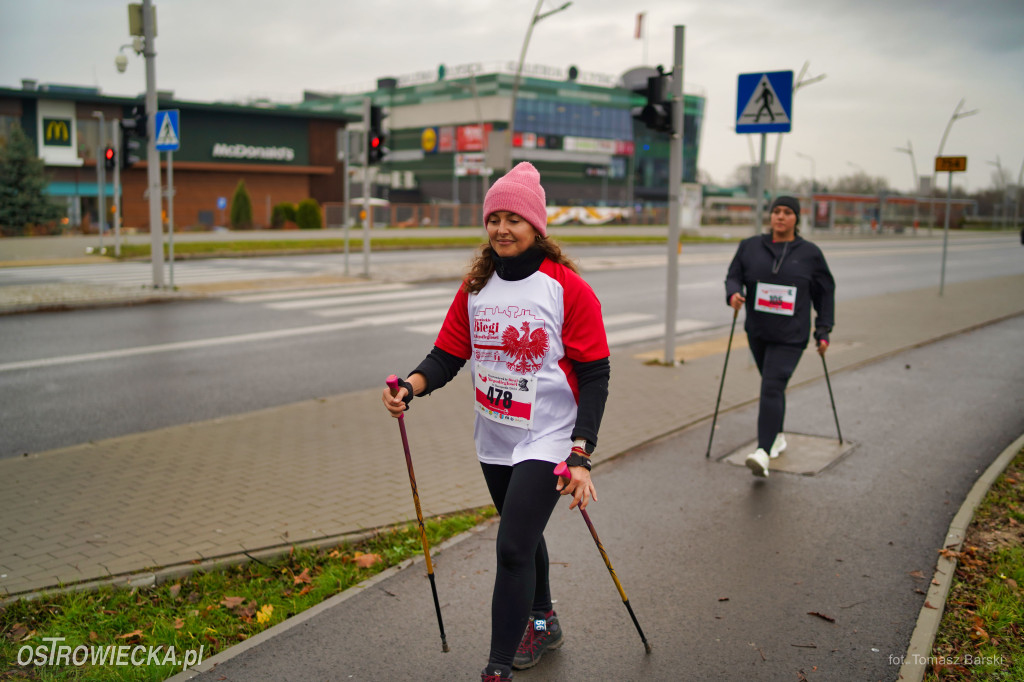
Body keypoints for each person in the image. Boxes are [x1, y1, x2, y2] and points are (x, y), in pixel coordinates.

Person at [381, 162, 611, 681]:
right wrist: (409, 387)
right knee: (523, 535)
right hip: (495, 434)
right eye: (494, 219)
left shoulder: (566, 288)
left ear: (536, 226)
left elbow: (596, 372)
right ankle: (544, 620)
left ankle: (497, 667)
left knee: (511, 547)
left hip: (549, 435)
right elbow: (447, 353)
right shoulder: (477, 286)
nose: (502, 229)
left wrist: (581, 450)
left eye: (513, 219)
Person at [724, 195, 835, 478]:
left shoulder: (810, 253)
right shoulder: (750, 246)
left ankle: (762, 452)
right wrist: (734, 293)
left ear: (796, 219)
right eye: (776, 211)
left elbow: (825, 293)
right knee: (773, 386)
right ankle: (777, 436)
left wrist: (823, 330)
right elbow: (733, 276)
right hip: (759, 332)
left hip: (791, 336)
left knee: (771, 386)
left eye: (787, 212)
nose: (781, 216)